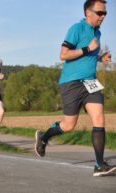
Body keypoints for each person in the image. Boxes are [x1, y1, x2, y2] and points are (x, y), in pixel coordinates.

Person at [35, 0, 116, 177]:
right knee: (69, 125)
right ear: (88, 13)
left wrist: (101, 57)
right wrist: (88, 49)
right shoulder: (76, 28)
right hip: (71, 83)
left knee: (99, 119)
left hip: (90, 83)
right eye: (100, 13)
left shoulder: (98, 32)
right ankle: (44, 137)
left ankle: (99, 165)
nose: (103, 16)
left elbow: (89, 56)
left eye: (105, 14)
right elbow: (63, 55)